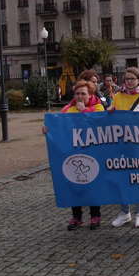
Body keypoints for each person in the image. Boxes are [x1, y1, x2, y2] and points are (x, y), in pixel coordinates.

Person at [51, 80, 105, 230]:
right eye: (77, 94)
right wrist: (48, 128)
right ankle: (76, 217)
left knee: (93, 184)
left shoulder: (98, 107)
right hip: (73, 152)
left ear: (90, 94)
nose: (80, 96)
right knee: (74, 184)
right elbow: (58, 124)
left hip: (93, 152)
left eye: (83, 94)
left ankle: (95, 215)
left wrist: (84, 111)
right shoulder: (68, 109)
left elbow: (101, 122)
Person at [109, 67, 139, 228]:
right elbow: (112, 115)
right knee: (122, 179)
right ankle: (125, 212)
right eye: (127, 79)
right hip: (121, 144)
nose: (129, 82)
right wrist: (110, 112)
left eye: (132, 79)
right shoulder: (118, 96)